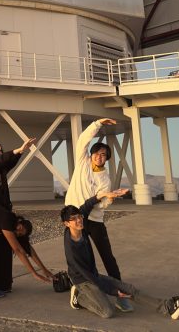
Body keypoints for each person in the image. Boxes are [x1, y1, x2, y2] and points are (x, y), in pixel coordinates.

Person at [61, 191, 179, 320]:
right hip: (83, 281)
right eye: (74, 219)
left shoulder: (80, 228)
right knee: (107, 312)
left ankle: (168, 306)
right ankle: (79, 298)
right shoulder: (72, 249)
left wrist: (105, 194)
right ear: (67, 224)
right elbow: (88, 276)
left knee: (129, 289)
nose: (79, 220)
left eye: (79, 216)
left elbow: (87, 205)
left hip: (92, 274)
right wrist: (112, 291)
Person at [64, 118, 131, 311]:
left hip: (93, 220)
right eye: (98, 153)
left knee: (107, 257)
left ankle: (121, 294)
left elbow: (101, 205)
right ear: (92, 153)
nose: (100, 157)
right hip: (75, 220)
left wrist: (109, 198)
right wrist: (98, 123)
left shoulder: (105, 178)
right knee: (82, 259)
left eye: (104, 156)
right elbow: (83, 139)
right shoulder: (82, 162)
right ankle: (80, 289)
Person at [0, 137, 42, 292]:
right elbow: (0, 161)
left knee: (7, 252)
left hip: (5, 216)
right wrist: (18, 150)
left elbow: (9, 162)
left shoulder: (1, 171)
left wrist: (21, 152)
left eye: (0, 150)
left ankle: (6, 283)